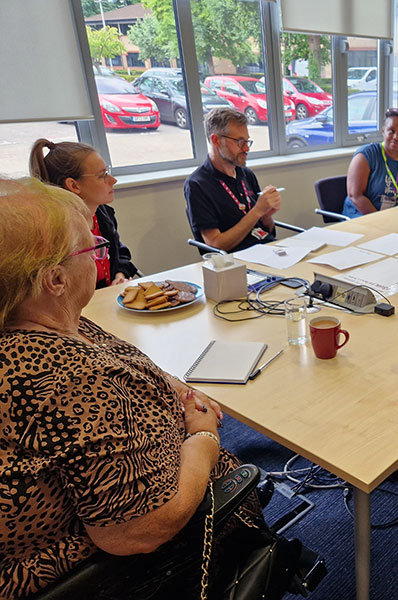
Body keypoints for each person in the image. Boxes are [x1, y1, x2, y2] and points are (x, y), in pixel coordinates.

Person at [0, 177, 261, 598]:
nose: (102, 253)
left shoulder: (41, 320)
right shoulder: (66, 380)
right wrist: (204, 437)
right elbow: (141, 530)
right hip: (138, 568)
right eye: (91, 247)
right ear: (54, 280)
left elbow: (122, 363)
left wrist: (178, 390)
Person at [29, 139, 137, 288]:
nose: (113, 180)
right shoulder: (56, 234)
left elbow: (120, 253)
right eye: (102, 175)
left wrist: (120, 276)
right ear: (74, 185)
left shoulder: (102, 214)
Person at [185, 108, 282, 253]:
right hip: (236, 262)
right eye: (240, 141)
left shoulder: (246, 174)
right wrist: (257, 212)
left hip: (268, 250)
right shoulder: (197, 185)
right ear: (216, 140)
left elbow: (268, 232)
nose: (246, 148)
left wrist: (266, 216)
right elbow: (215, 244)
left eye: (247, 141)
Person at [342, 107, 398, 218]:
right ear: (383, 131)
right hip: (361, 217)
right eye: (392, 131)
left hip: (395, 218)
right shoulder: (366, 155)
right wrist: (381, 219)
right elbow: (355, 196)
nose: (396, 137)